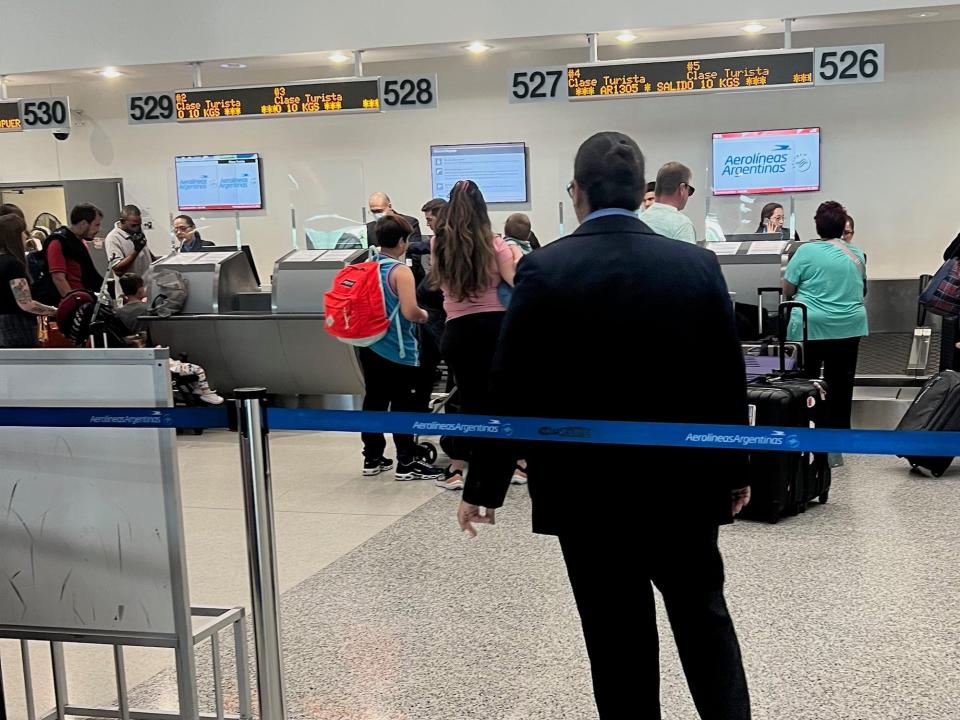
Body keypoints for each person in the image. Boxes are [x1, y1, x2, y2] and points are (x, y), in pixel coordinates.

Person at [458, 132, 752, 720]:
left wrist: (484, 484)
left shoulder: (547, 268)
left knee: (615, 635)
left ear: (576, 193)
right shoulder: (696, 266)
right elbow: (726, 377)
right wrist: (735, 468)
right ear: (643, 194)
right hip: (684, 483)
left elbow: (510, 384)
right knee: (703, 619)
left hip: (585, 490)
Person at [431, 179, 516, 491]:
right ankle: (508, 466)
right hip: (495, 330)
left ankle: (458, 466)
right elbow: (516, 283)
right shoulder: (496, 245)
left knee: (468, 401)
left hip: (457, 331)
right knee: (499, 401)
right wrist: (516, 258)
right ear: (483, 208)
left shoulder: (438, 243)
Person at [359, 214, 444, 482]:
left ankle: (372, 457)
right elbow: (410, 312)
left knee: (374, 399)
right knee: (402, 404)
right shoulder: (400, 271)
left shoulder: (367, 265)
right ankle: (406, 461)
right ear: (402, 241)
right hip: (399, 348)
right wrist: (428, 316)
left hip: (369, 344)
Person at [783, 201, 867, 440]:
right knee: (842, 382)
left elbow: (788, 288)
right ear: (843, 227)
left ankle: (806, 429)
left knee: (804, 380)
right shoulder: (856, 253)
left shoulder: (806, 251)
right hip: (849, 325)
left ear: (817, 226)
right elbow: (861, 288)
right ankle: (840, 435)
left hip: (810, 325)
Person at [0, 213, 58, 347]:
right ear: (14, 236)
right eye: (23, 232)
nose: (26, 236)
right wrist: (55, 311)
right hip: (16, 327)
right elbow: (26, 304)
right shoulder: (13, 264)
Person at [44, 204, 105, 298]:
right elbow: (58, 278)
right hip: (73, 303)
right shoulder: (58, 242)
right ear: (84, 224)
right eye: (96, 225)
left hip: (86, 297)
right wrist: (74, 304)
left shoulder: (80, 243)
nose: (98, 229)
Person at [640, 162, 697, 244]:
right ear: (682, 189)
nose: (688, 195)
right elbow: (689, 256)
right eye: (689, 190)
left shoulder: (640, 220)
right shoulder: (682, 226)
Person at [105, 205, 154, 276]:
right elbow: (118, 270)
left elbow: (145, 252)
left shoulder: (136, 231)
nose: (137, 228)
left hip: (146, 284)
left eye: (139, 225)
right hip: (130, 286)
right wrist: (136, 251)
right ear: (122, 221)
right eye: (133, 225)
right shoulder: (113, 238)